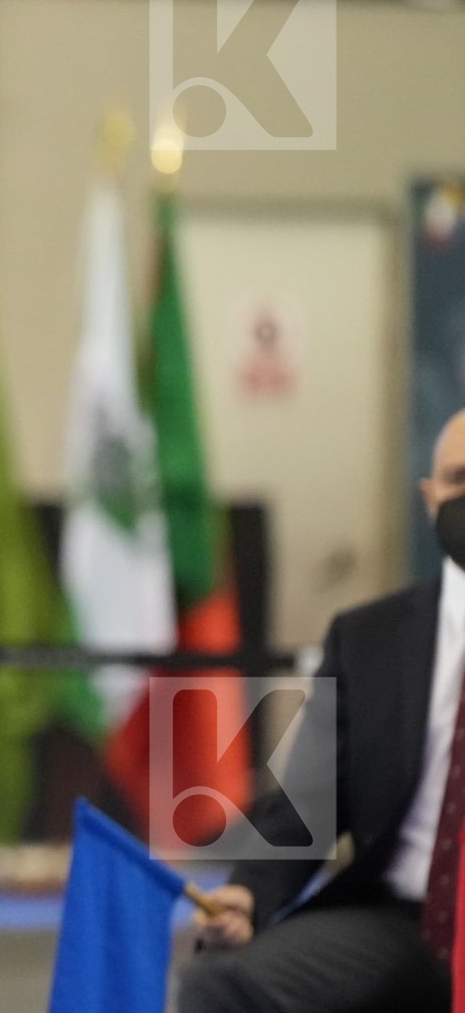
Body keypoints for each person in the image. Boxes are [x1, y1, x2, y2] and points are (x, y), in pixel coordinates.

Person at [178, 407, 465, 1012]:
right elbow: (306, 803)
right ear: (429, 496)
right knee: (220, 982)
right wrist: (251, 894)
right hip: (398, 920)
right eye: (459, 479)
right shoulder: (370, 638)